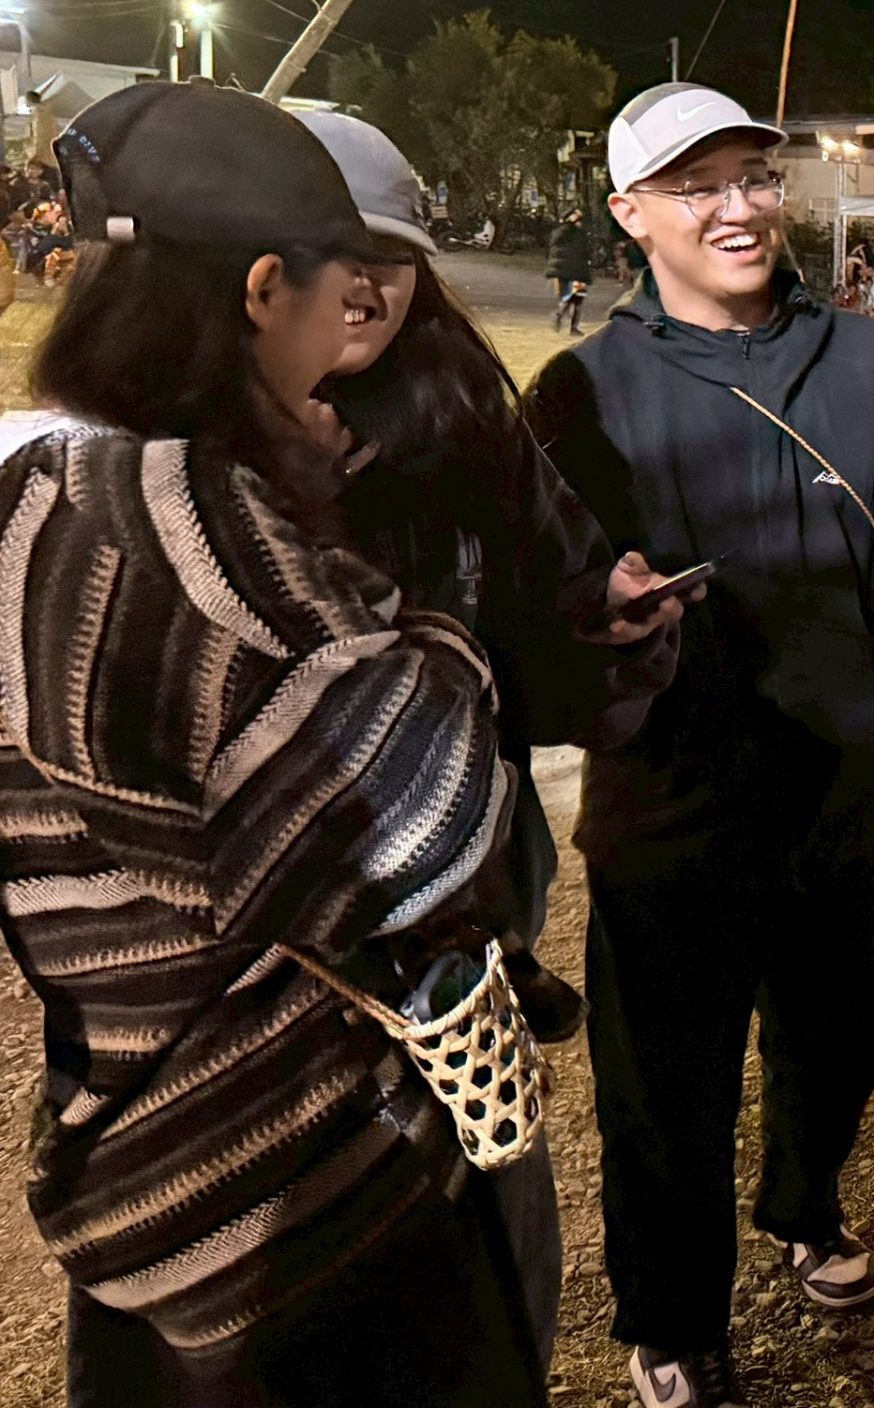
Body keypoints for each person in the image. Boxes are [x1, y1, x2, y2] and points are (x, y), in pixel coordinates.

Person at [5, 79, 588, 1407]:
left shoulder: (39, 492)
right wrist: (410, 613)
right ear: (266, 288)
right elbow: (432, 828)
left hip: (125, 1117)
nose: (363, 312)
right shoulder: (195, 531)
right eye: (345, 281)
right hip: (293, 1184)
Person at [522, 83, 874, 1408]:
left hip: (842, 790)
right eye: (696, 187)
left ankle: (805, 1205)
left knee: (835, 1042)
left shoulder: (872, 368)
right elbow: (524, 591)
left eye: (754, 177)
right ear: (630, 215)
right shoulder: (581, 391)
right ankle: (673, 1321)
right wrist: (599, 626)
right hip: (668, 803)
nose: (737, 208)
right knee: (661, 1085)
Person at [300, 107, 686, 1048]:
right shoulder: (149, 464)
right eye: (322, 250)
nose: (361, 284)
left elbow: (545, 655)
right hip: (264, 961)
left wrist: (607, 624)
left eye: (390, 255)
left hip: (466, 924)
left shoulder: (464, 421)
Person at [548, 207, 594, 335]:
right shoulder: (569, 232)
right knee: (573, 298)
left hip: (571, 272)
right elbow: (585, 252)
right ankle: (563, 320)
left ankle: (564, 321)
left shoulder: (563, 232)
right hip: (573, 272)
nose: (581, 222)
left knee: (573, 298)